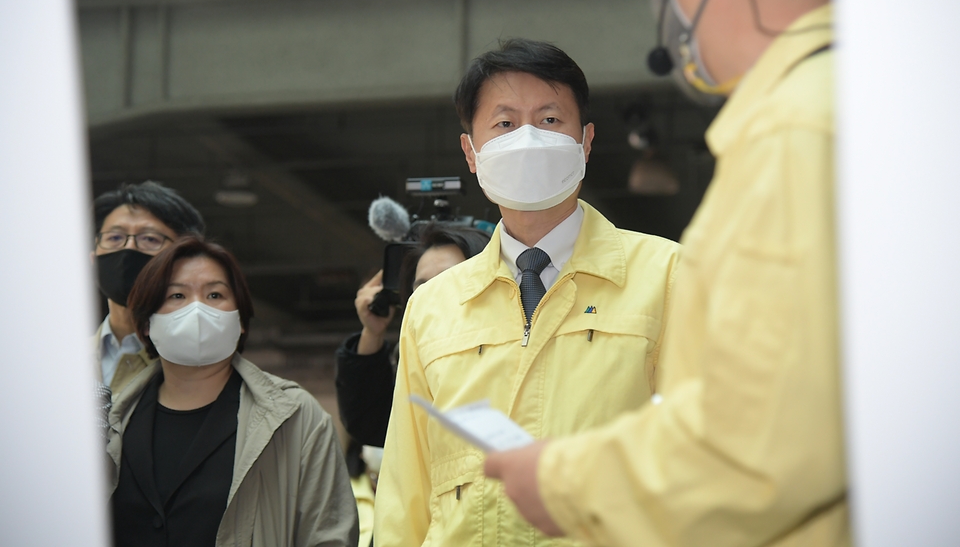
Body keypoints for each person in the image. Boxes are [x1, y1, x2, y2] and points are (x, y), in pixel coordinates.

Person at [484, 0, 845, 546]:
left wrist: (562, 480)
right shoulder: (852, 100)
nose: (667, 11)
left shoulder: (792, 136)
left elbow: (758, 446)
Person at [373, 38, 682, 547]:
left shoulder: (667, 275)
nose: (529, 138)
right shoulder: (433, 307)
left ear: (585, 141)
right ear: (471, 152)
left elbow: (706, 451)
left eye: (550, 120)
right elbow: (406, 490)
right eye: (505, 124)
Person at [107, 236, 359, 547]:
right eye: (176, 295)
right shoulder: (111, 424)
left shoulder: (296, 418)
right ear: (146, 324)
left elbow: (329, 537)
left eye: (215, 294)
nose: (197, 309)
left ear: (239, 320)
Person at [335, 222, 492, 448]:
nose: (434, 296)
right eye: (423, 288)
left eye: (450, 280)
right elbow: (372, 425)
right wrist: (372, 332)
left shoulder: (517, 355)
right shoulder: (415, 365)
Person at [93, 181, 205, 397]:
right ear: (92, 258)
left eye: (150, 239)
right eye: (114, 237)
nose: (129, 248)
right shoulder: (59, 361)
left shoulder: (204, 366)